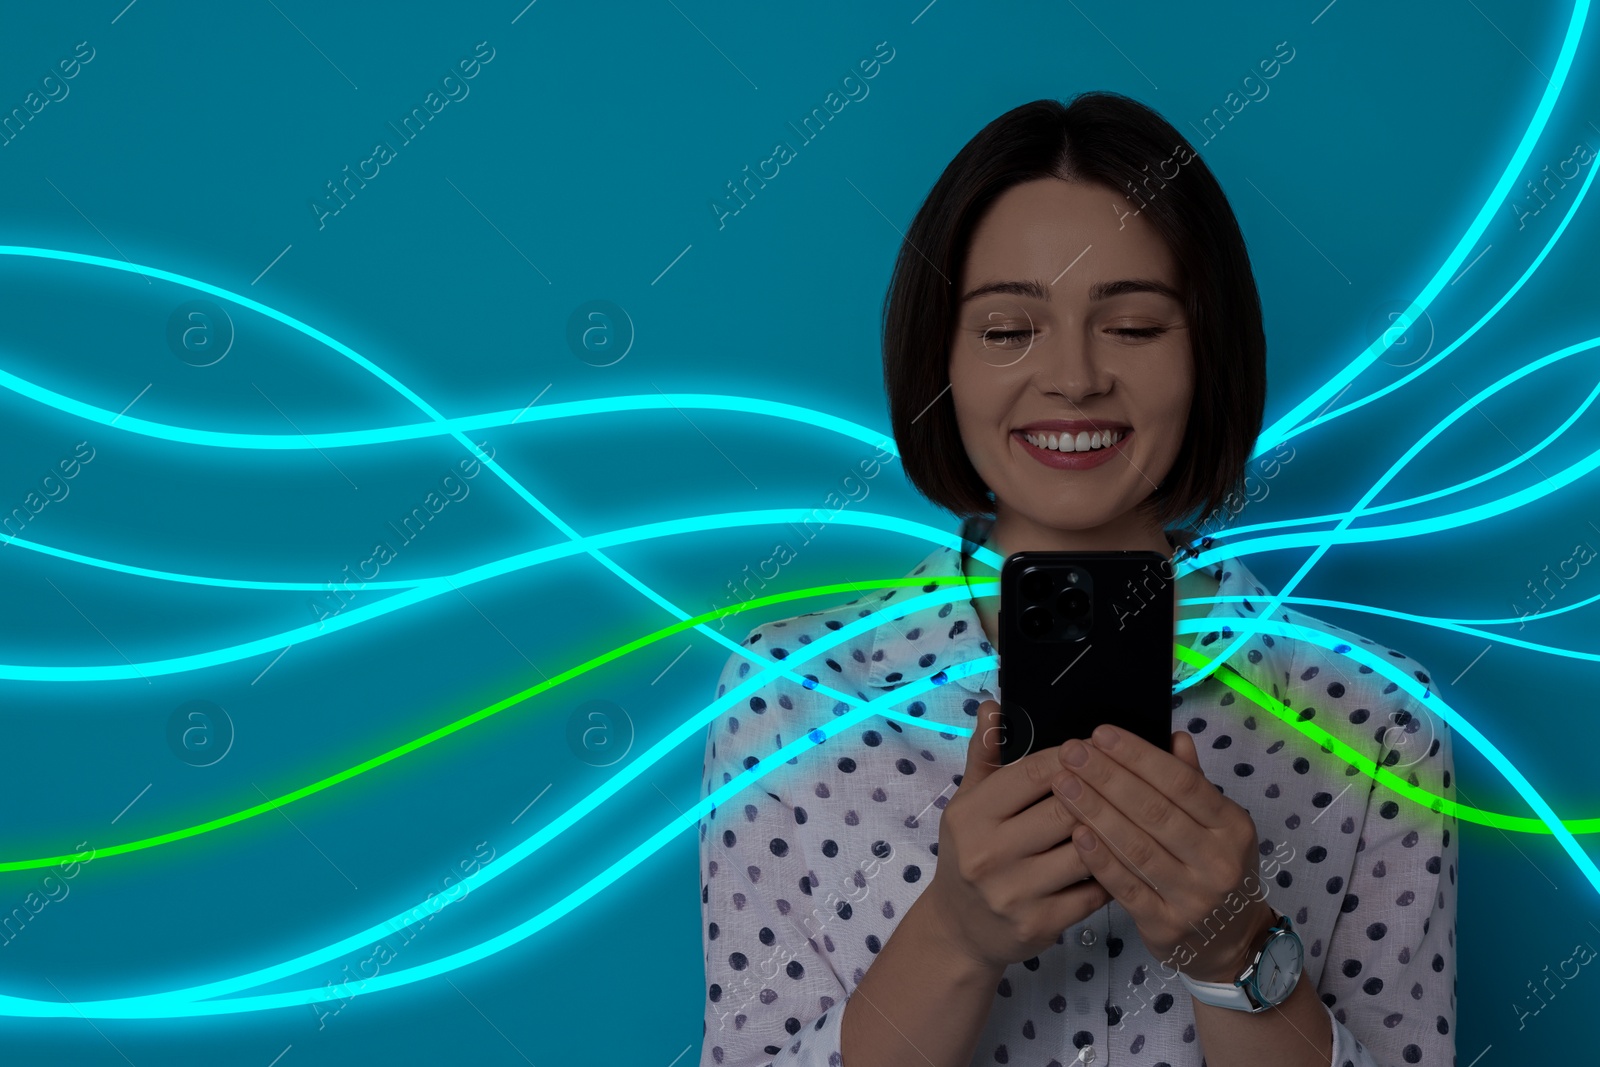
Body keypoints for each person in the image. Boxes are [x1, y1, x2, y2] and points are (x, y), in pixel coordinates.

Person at [696, 92, 1457, 1067]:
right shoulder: (793, 695)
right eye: (1008, 329)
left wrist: (1234, 947)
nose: (1073, 378)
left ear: (1207, 352)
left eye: (1133, 326)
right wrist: (956, 934)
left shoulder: (1374, 716)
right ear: (941, 360)